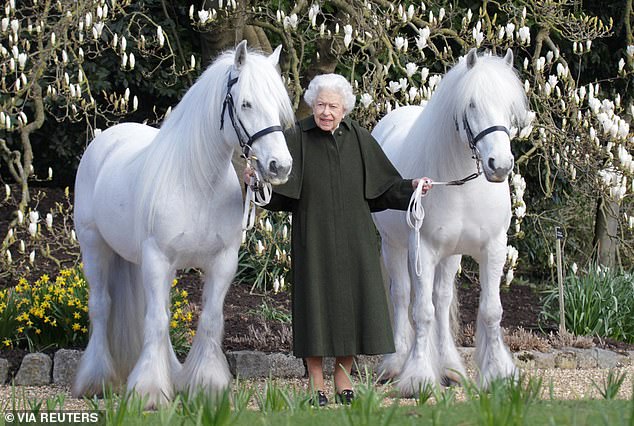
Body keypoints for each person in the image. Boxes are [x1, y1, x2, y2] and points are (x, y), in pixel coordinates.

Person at [244, 73, 431, 406]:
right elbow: (278, 194)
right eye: (319, 105)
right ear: (312, 106)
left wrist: (413, 186)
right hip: (312, 238)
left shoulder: (359, 138)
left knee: (353, 309)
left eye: (332, 106)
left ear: (344, 108)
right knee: (314, 308)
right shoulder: (296, 137)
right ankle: (316, 381)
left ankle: (343, 376)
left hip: (355, 239)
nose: (325, 112)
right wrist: (255, 182)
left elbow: (384, 188)